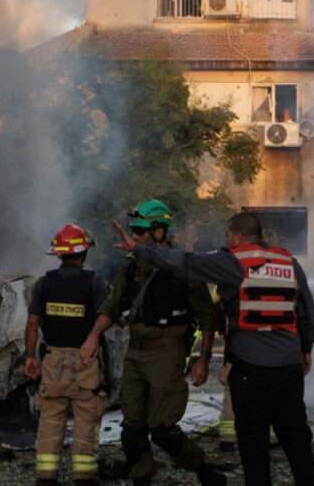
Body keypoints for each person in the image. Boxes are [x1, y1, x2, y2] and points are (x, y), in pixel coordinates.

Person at [110, 211, 314, 486]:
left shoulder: (233, 261)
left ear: (236, 234)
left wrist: (138, 249)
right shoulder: (290, 263)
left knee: (253, 438)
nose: (227, 240)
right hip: (289, 367)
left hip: (250, 365)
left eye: (227, 235)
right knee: (295, 435)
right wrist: (305, 349)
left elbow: (185, 261)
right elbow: (308, 316)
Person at [78, 199, 224, 486]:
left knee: (162, 429)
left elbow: (207, 317)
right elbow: (111, 305)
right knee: (131, 430)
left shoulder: (183, 266)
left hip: (167, 352)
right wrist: (93, 337)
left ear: (159, 232)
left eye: (139, 232)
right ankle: (142, 478)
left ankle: (204, 471)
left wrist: (203, 359)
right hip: (136, 352)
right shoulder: (131, 265)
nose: (134, 237)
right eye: (133, 231)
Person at [25, 223, 109, 485]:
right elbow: (107, 315)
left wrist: (30, 356)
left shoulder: (44, 283)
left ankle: (46, 477)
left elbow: (32, 323)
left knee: (50, 417)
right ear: (83, 254)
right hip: (85, 361)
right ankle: (83, 477)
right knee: (86, 416)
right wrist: (93, 337)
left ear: (59, 254)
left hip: (52, 361)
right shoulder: (94, 282)